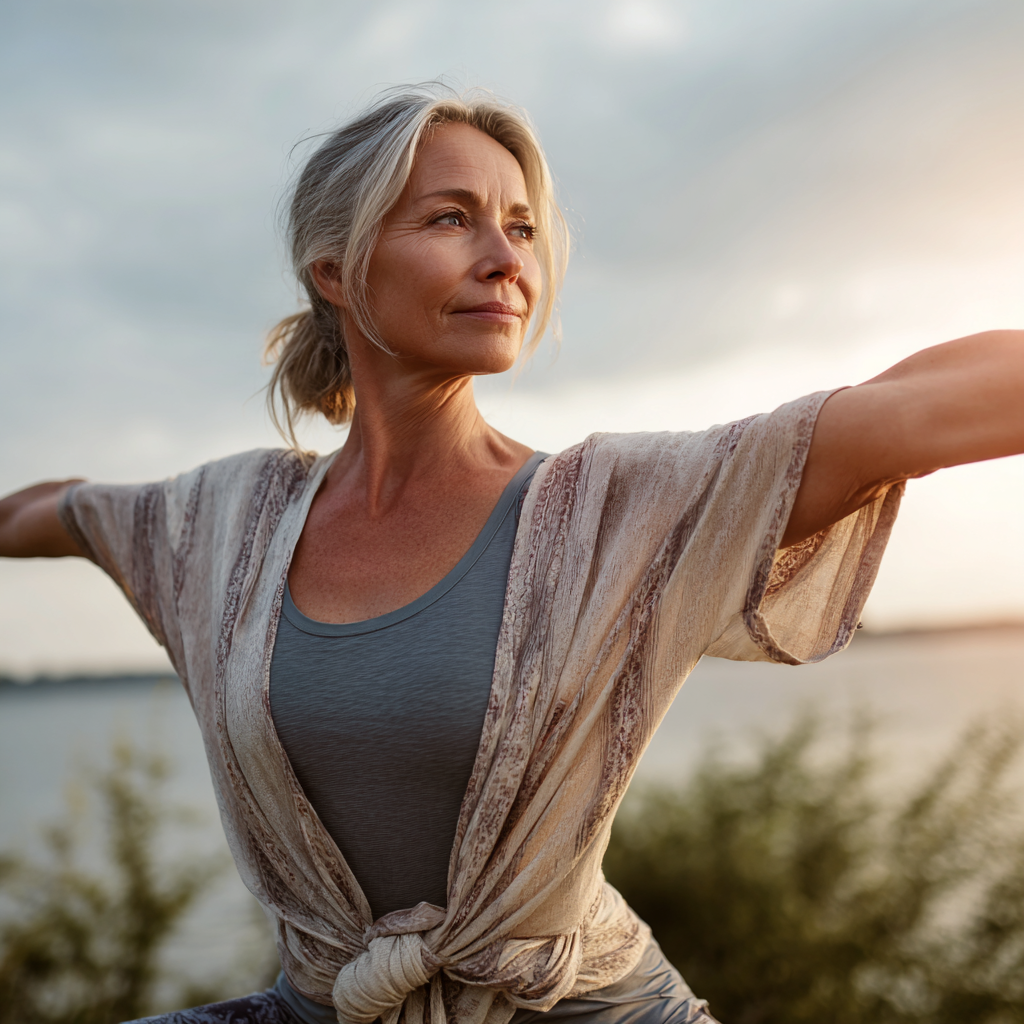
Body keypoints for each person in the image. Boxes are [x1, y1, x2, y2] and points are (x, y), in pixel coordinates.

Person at [0, 83, 1021, 1024]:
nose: (505, 257)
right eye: (451, 218)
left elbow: (919, 403)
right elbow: (53, 510)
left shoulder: (617, 511)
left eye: (521, 227)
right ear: (335, 271)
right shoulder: (222, 526)